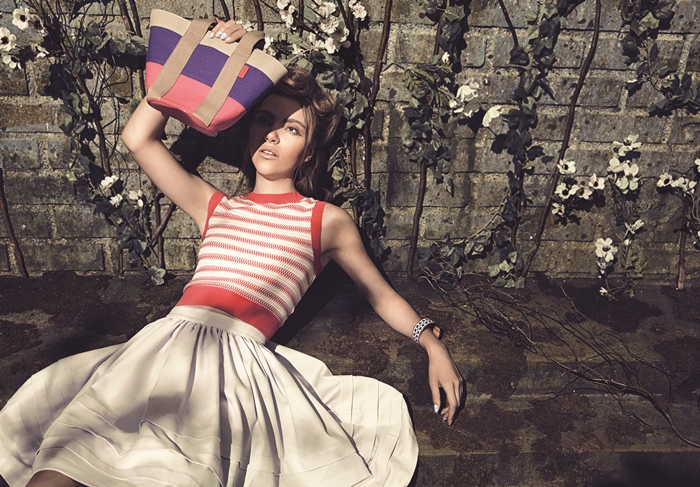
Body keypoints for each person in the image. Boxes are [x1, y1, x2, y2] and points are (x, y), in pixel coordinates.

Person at [0, 20, 463, 487]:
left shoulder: (326, 220)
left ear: (308, 151)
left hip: (233, 370)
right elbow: (138, 138)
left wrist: (431, 343)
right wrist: (204, 56)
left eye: (292, 128)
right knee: (62, 468)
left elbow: (379, 294)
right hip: (157, 350)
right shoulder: (215, 205)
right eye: (265, 120)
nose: (273, 135)